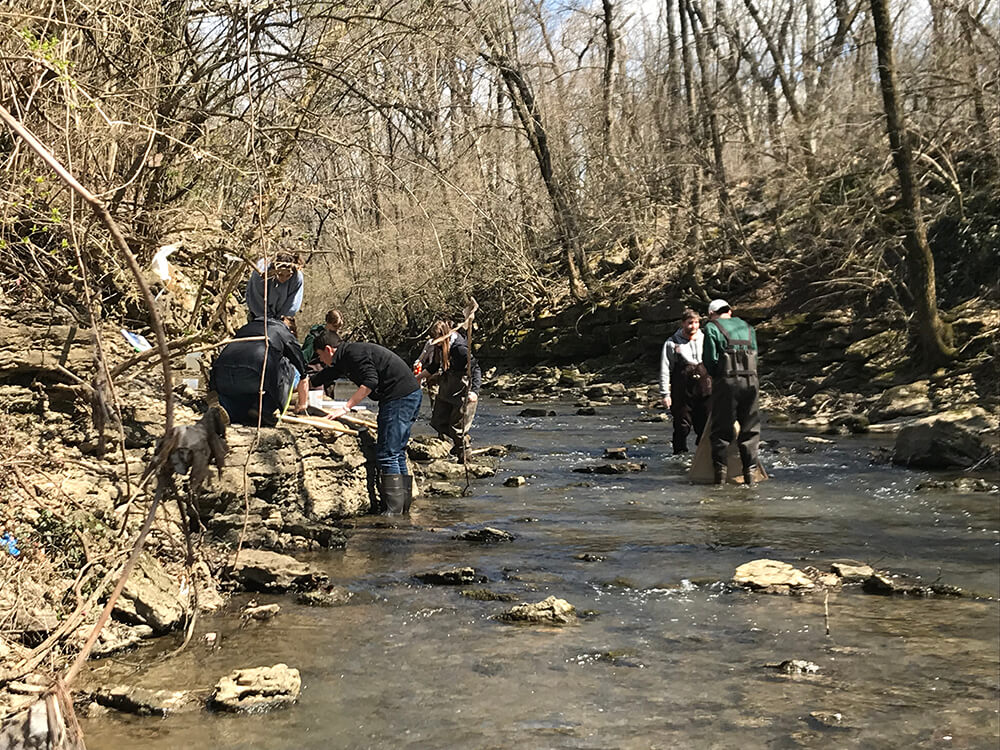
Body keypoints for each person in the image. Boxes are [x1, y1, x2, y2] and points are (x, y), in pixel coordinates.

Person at [308, 332, 422, 515]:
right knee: (397, 452)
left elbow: (370, 382)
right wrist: (305, 382)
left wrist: (346, 407)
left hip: (399, 397)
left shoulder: (354, 354)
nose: (320, 360)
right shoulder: (345, 357)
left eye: (320, 355)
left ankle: (393, 513)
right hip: (409, 394)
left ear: (328, 350)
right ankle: (402, 510)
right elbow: (326, 375)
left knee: (387, 454)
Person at [209, 318, 309, 427]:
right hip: (255, 370)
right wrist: (302, 404)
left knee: (241, 399)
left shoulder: (246, 328)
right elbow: (301, 368)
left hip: (221, 374)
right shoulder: (282, 331)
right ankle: (266, 409)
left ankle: (226, 408)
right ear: (292, 332)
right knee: (289, 366)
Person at [703, 299, 761, 486]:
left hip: (727, 381)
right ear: (730, 311)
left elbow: (710, 359)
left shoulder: (712, 328)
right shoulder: (748, 327)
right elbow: (756, 356)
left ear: (712, 313)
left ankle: (719, 480)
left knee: (721, 431)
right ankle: (750, 478)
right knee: (750, 430)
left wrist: (717, 378)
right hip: (752, 381)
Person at [417, 321, 481, 463]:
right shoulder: (440, 347)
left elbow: (476, 368)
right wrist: (419, 377)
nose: (436, 343)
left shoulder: (460, 348)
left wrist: (475, 391)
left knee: (457, 428)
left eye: (438, 340)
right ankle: (461, 443)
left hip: (462, 387)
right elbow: (434, 366)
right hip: (447, 385)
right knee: (438, 422)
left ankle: (465, 456)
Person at [660, 308, 711, 455]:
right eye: (690, 323)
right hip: (682, 391)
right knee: (682, 426)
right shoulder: (671, 343)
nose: (694, 326)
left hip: (705, 389)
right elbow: (665, 369)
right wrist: (665, 394)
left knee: (706, 426)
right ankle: (679, 455)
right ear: (682, 324)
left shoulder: (706, 339)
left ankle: (704, 456)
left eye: (696, 323)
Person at [245, 251, 304, 327]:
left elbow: (293, 302)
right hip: (259, 315)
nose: (283, 279)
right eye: (280, 275)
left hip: (282, 320)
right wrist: (268, 319)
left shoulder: (297, 277)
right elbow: (256, 298)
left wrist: (282, 319)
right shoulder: (260, 272)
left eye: (288, 275)